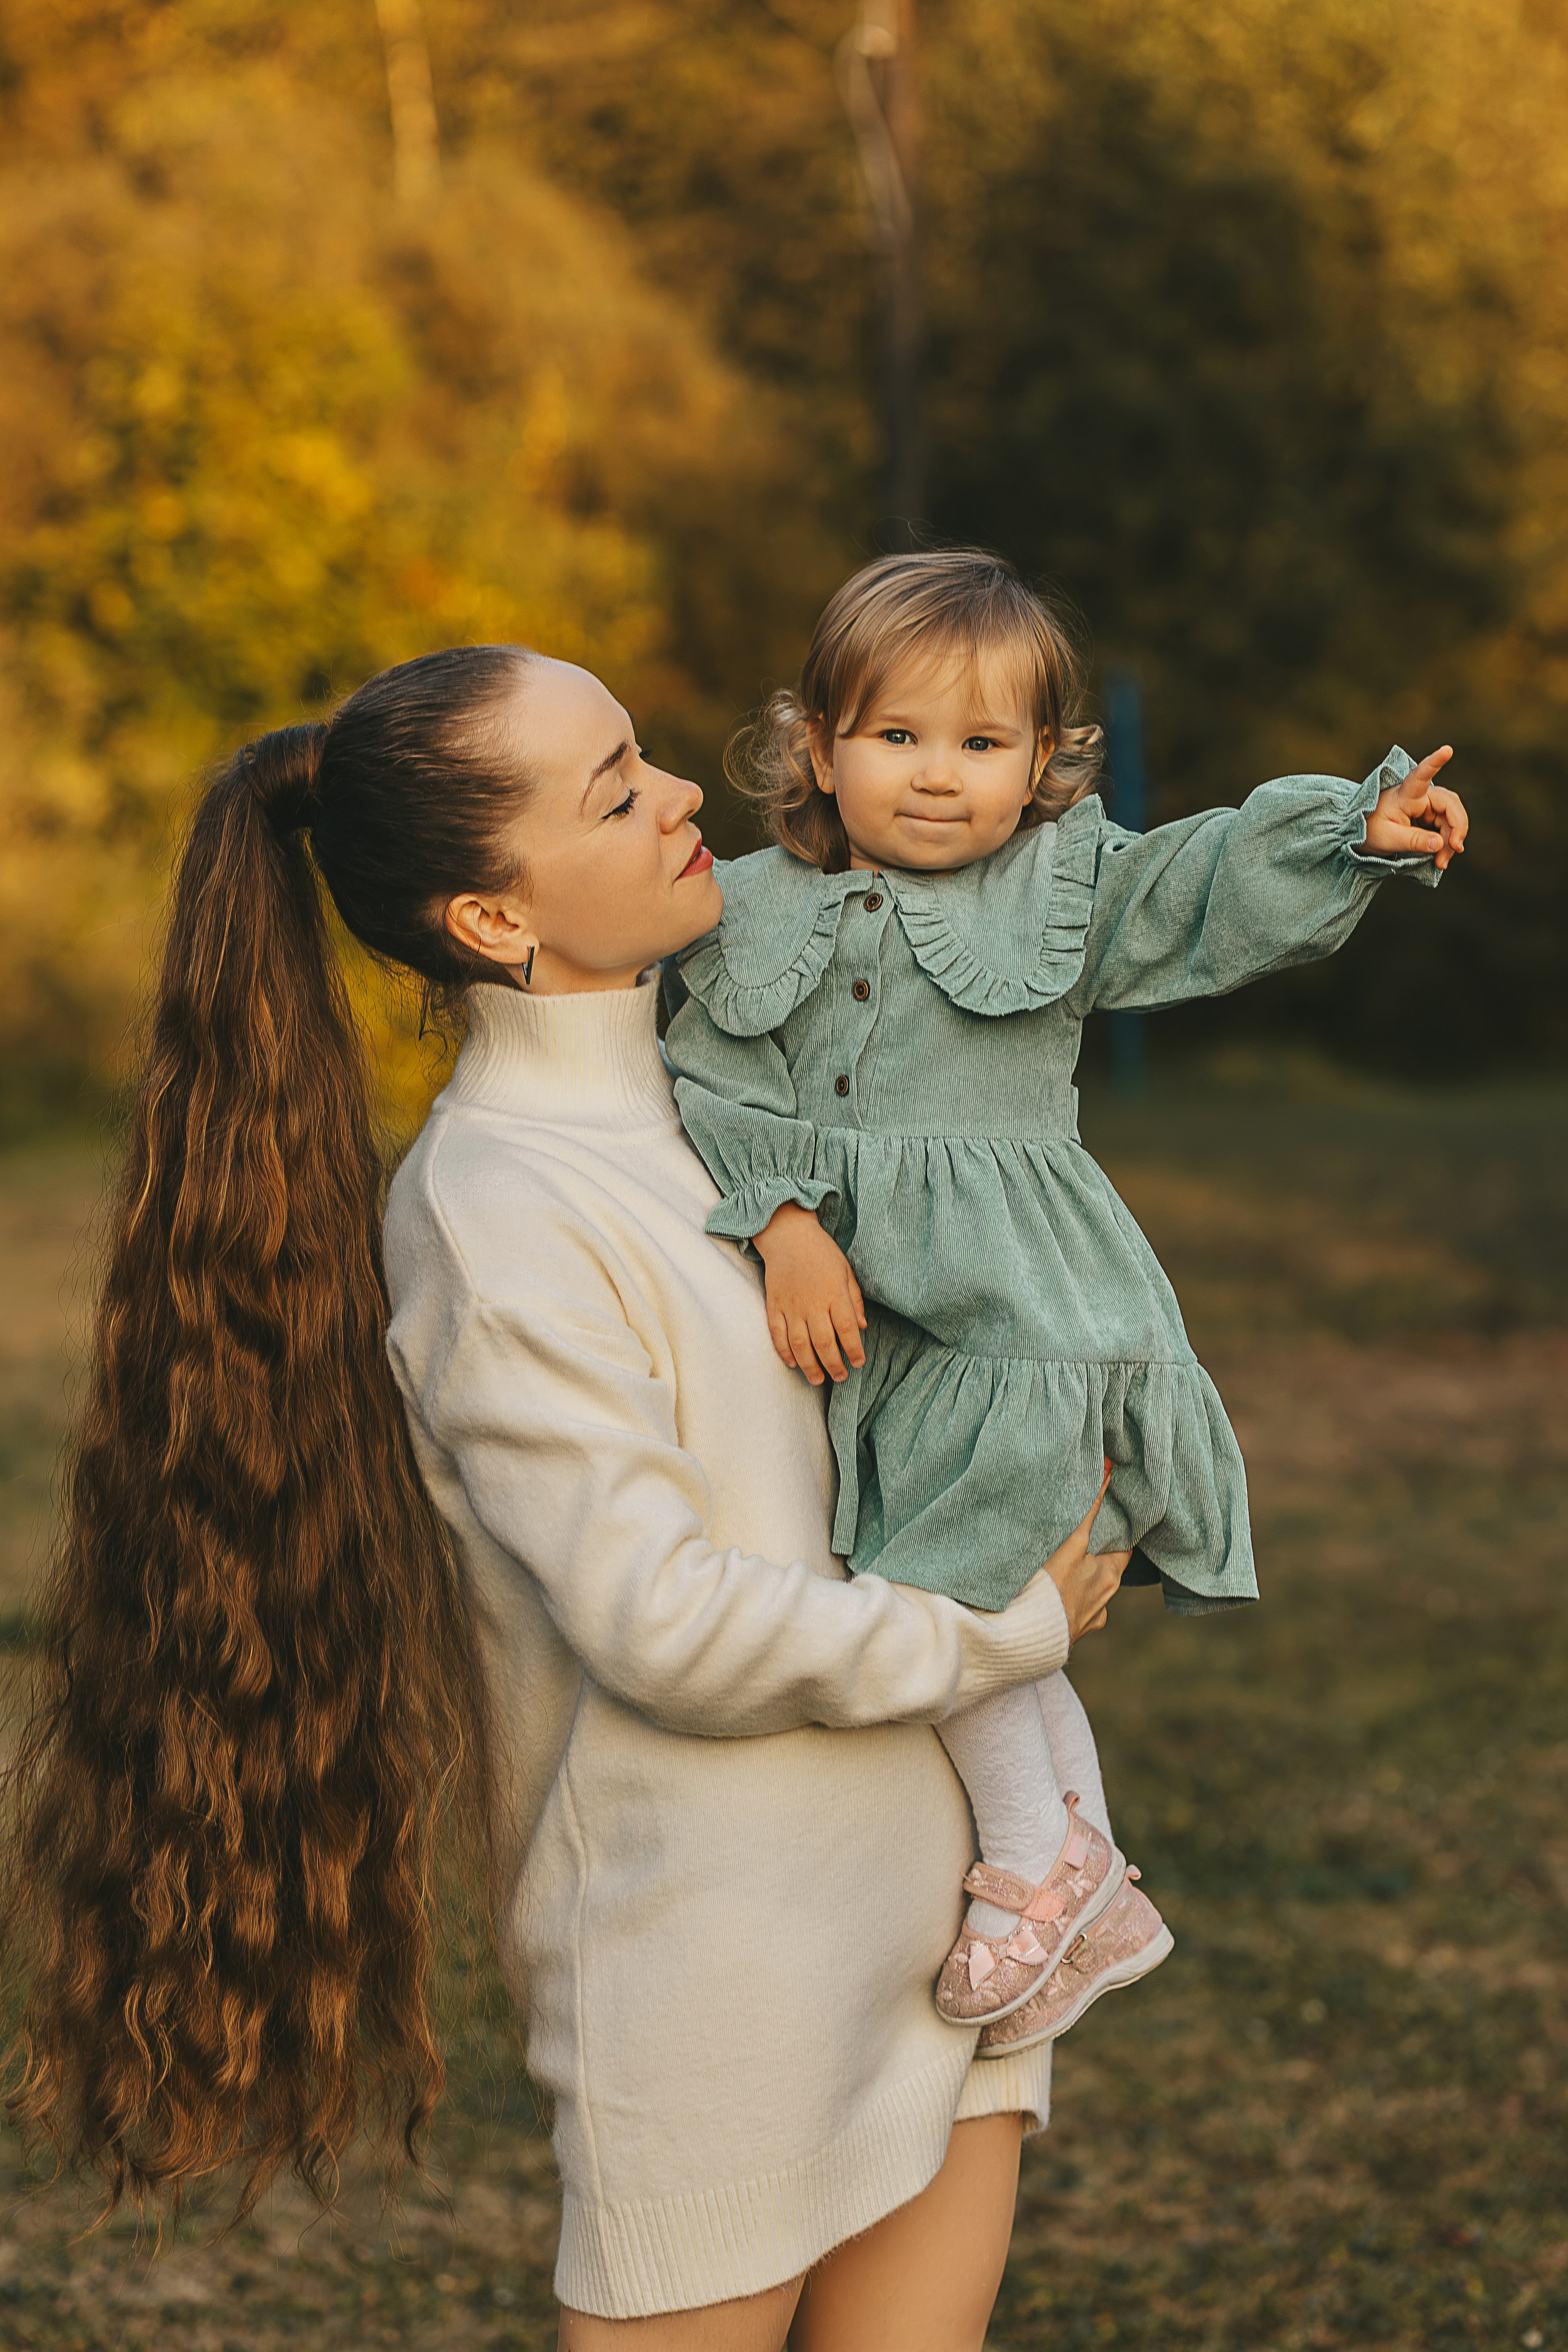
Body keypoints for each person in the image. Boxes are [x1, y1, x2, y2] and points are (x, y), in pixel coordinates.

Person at [3, 641, 1139, 2350]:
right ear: (491, 920)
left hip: (954, 1927)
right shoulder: (497, 1208)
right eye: (614, 795)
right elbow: (659, 1624)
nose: (683, 796)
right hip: (718, 1988)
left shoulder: (745, 1102)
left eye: (644, 756)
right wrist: (995, 1633)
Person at [663, 549, 1469, 2045]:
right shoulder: (748, 908)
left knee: (946, 1586)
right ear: (816, 749)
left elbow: (1196, 884)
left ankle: (1036, 1862)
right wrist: (779, 1221)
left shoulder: (1058, 888)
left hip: (1018, 1309)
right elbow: (708, 1076)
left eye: (981, 743)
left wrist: (1347, 833)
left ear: (1040, 764)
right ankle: (1081, 1879)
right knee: (960, 1578)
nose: (935, 774)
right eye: (895, 735)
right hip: (887, 1329)